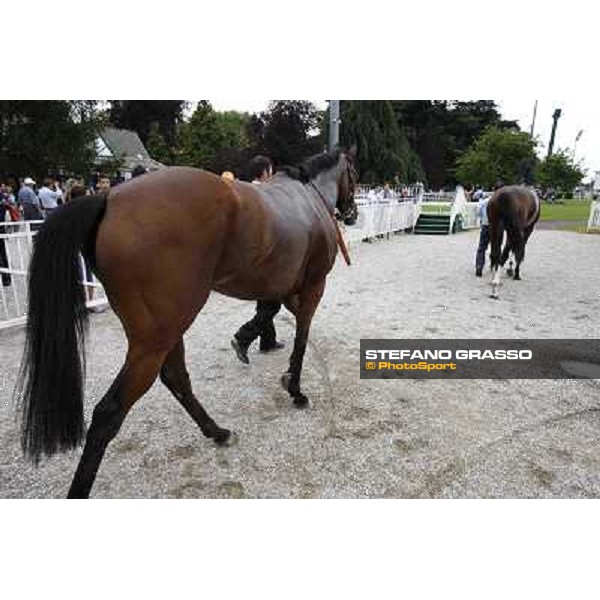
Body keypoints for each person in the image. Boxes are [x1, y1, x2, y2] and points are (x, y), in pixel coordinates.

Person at [231, 155, 285, 365]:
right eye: (270, 171)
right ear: (264, 172)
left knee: (266, 302)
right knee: (271, 305)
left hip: (251, 255)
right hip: (264, 256)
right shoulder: (263, 193)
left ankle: (268, 341)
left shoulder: (246, 190)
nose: (271, 175)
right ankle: (243, 337)